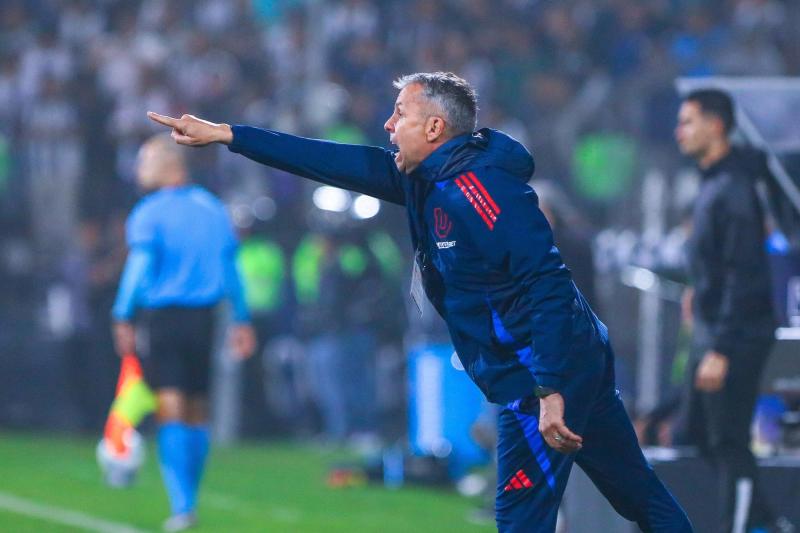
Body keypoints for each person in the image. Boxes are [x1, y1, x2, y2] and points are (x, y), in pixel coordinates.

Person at [147, 72, 691, 532]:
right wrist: (228, 135)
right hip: (564, 360)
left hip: (542, 373)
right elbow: (326, 160)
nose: (388, 125)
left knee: (520, 518)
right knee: (637, 494)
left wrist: (549, 389)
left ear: (434, 128)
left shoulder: (480, 189)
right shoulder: (426, 179)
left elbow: (546, 283)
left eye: (400, 114)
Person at [111, 134, 256, 532]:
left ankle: (182, 505)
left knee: (170, 407)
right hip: (205, 319)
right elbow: (230, 270)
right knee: (197, 407)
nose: (139, 169)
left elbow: (139, 268)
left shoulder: (149, 212)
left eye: (145, 160)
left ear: (171, 165)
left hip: (166, 318)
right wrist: (242, 319)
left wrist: (122, 315)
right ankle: (189, 500)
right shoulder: (213, 209)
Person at [675, 89, 789, 533]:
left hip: (736, 334)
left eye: (688, 121)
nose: (679, 131)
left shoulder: (735, 187)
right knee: (698, 434)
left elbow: (746, 275)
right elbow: (718, 263)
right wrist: (697, 290)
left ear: (716, 125)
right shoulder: (714, 182)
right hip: (713, 328)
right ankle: (773, 523)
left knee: (729, 442)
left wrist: (721, 349)